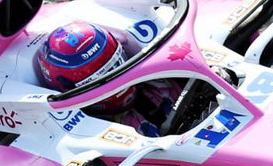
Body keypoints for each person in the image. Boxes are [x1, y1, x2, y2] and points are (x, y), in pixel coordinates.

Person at [35, 21, 181, 136]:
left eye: (117, 63)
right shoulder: (94, 134)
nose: (116, 75)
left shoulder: (162, 87)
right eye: (102, 77)